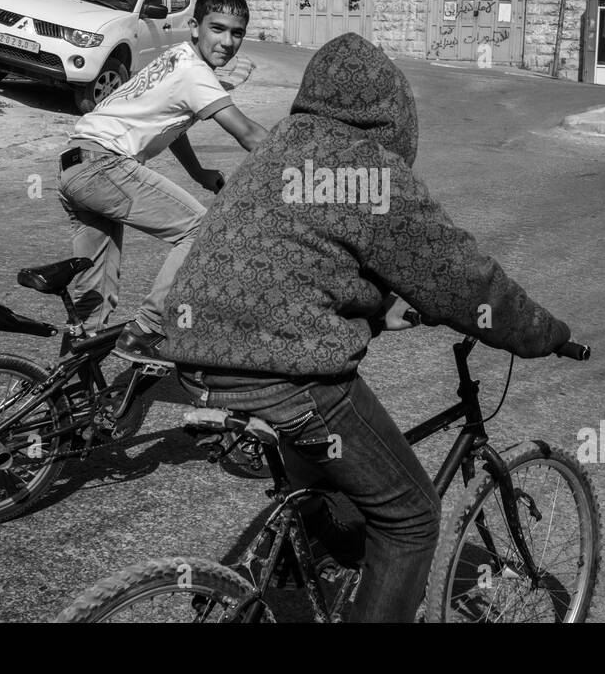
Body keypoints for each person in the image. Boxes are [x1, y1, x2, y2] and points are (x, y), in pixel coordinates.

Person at [162, 32, 573, 622]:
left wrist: (379, 311)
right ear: (395, 113)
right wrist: (543, 333)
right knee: (409, 517)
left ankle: (299, 563)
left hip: (195, 352)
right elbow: (463, 278)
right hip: (284, 375)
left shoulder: (279, 147)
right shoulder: (370, 170)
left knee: (327, 477)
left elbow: (294, 259)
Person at [58, 0, 269, 361]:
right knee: (202, 231)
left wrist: (199, 172)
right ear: (194, 26)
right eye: (217, 28)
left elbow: (172, 125)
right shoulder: (195, 73)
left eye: (237, 33)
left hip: (75, 167)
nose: (227, 41)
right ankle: (147, 328)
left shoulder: (175, 58)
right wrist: (306, 165)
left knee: (95, 298)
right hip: (104, 165)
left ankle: (68, 401)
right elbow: (249, 133)